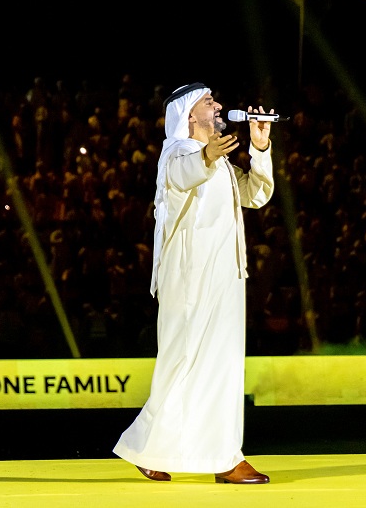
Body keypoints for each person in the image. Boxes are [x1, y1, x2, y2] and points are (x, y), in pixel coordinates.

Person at [113, 83, 276, 484]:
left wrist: (259, 147)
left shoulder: (217, 162)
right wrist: (206, 154)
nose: (219, 104)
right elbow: (183, 175)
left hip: (223, 276)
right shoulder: (178, 153)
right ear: (189, 115)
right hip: (189, 278)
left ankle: (220, 456)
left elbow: (255, 195)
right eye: (209, 101)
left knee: (220, 366)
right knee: (182, 363)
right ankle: (155, 447)